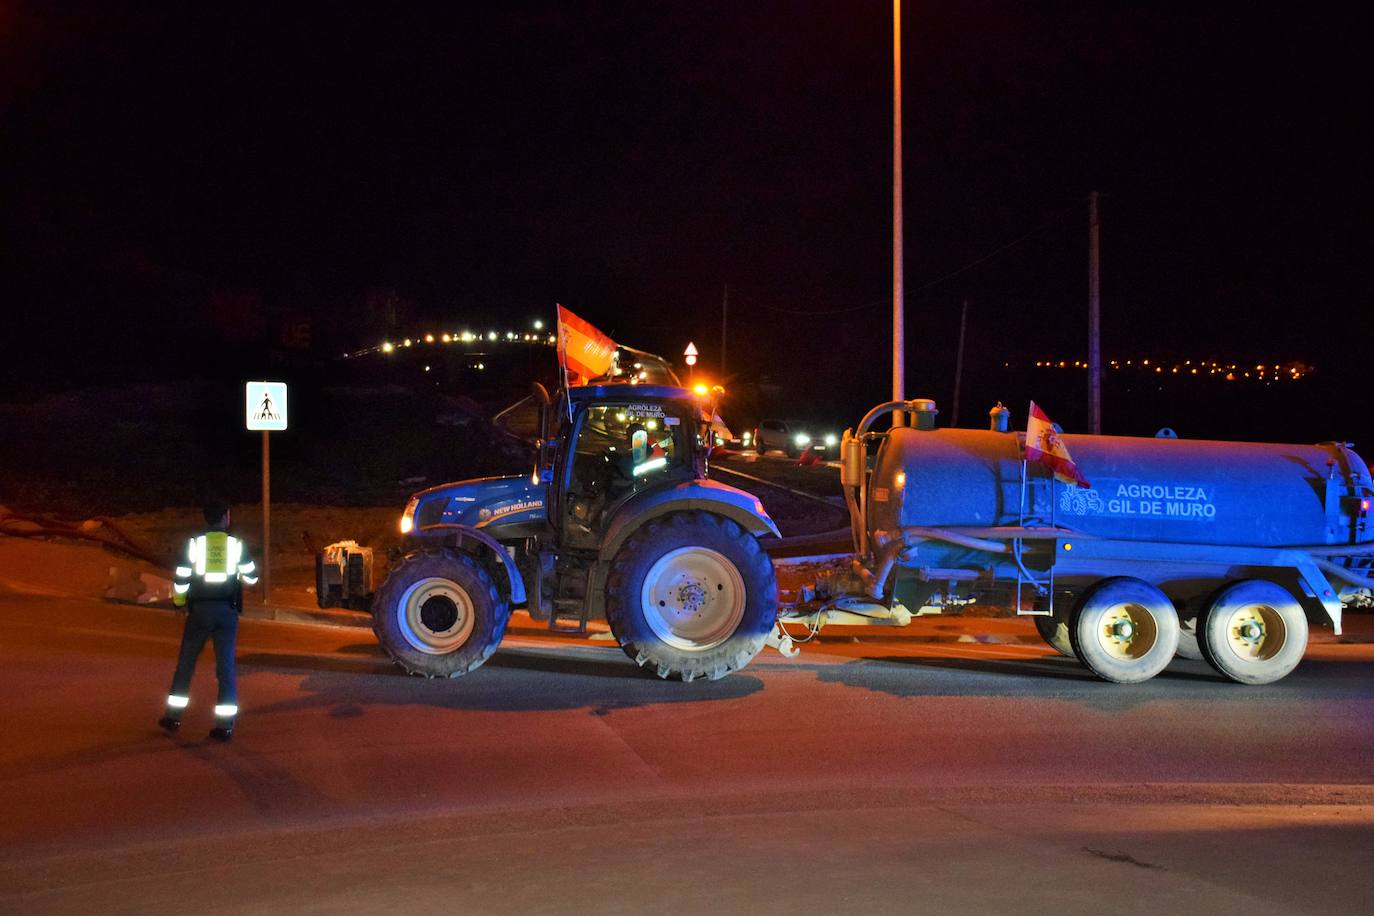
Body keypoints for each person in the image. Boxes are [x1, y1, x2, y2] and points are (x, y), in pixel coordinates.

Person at [158, 504, 257, 741]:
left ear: (205, 519)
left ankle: (172, 717)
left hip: (200, 611)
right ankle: (224, 726)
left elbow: (182, 578)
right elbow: (251, 578)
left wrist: (179, 603)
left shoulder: (194, 544)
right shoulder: (236, 545)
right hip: (226, 612)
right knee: (225, 670)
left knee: (185, 665)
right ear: (225, 518)